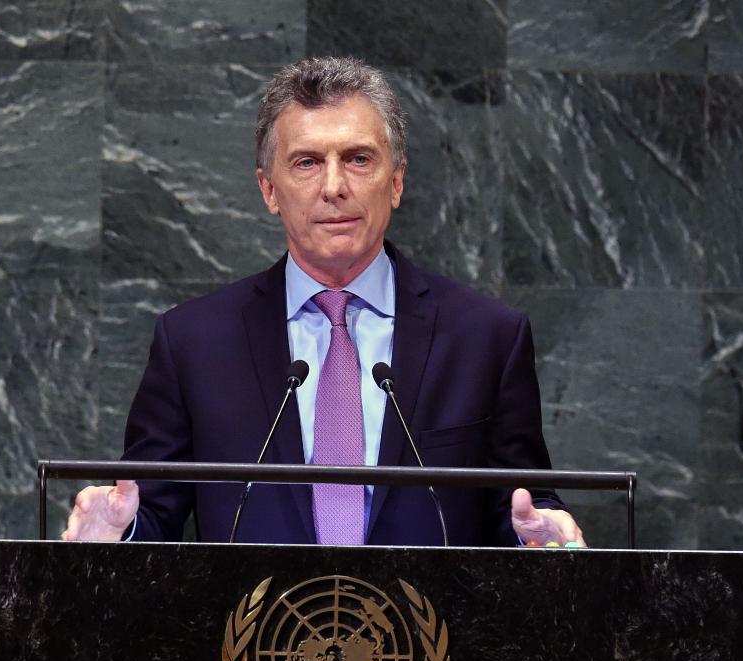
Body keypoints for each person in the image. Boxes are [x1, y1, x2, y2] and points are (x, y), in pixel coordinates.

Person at [63, 57, 584, 548]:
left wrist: (540, 537)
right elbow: (151, 510)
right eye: (307, 162)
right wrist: (117, 535)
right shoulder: (194, 343)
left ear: (397, 181)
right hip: (255, 637)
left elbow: (523, 507)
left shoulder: (486, 337)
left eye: (358, 159)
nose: (334, 187)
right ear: (269, 190)